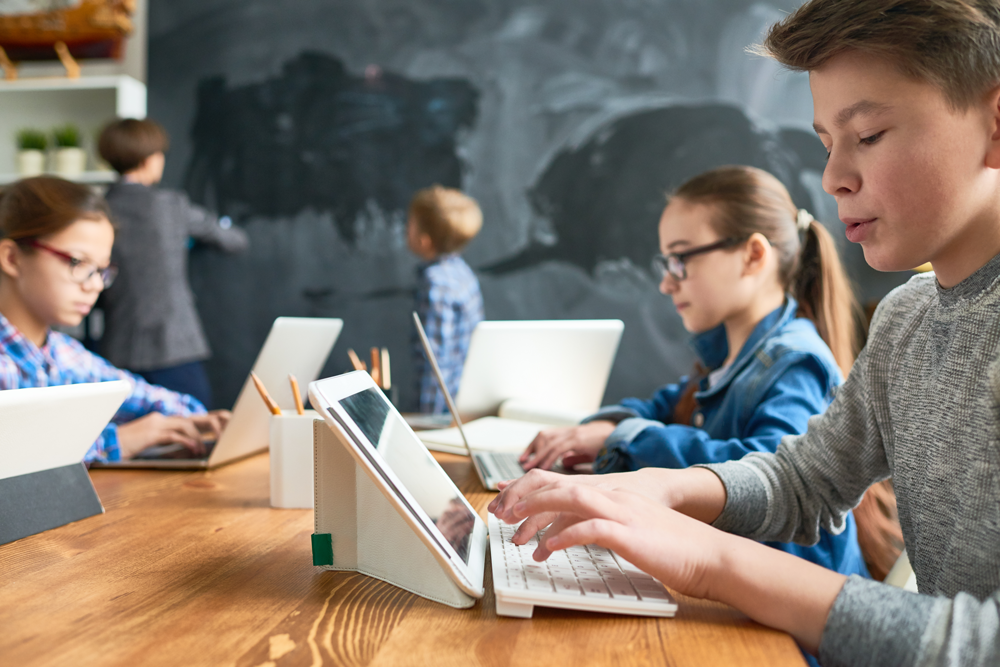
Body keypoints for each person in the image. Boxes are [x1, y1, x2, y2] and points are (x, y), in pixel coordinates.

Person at [488, 1, 1000, 664]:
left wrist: (710, 557)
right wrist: (661, 487)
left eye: (868, 134)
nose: (832, 178)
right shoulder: (906, 317)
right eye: (826, 143)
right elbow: (803, 481)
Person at [519, 166, 868, 583]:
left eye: (680, 259)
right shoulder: (726, 356)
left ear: (754, 255)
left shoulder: (794, 362)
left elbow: (763, 477)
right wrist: (607, 428)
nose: (667, 283)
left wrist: (624, 437)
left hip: (789, 612)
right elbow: (658, 407)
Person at [0, 176, 230, 463]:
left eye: (101, 270)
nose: (95, 285)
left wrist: (201, 420)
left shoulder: (64, 353)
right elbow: (13, 459)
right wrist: (119, 440)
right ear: (11, 258)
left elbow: (140, 396)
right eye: (78, 262)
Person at [97, 118, 248, 409]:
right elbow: (233, 241)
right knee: (196, 430)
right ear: (150, 159)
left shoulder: (100, 208)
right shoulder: (171, 204)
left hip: (117, 346)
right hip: (175, 343)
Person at [408, 185, 484, 414]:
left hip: (442, 413)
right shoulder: (462, 272)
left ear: (425, 239)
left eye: (409, 225)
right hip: (463, 403)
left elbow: (435, 364)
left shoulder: (437, 285)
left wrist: (428, 423)